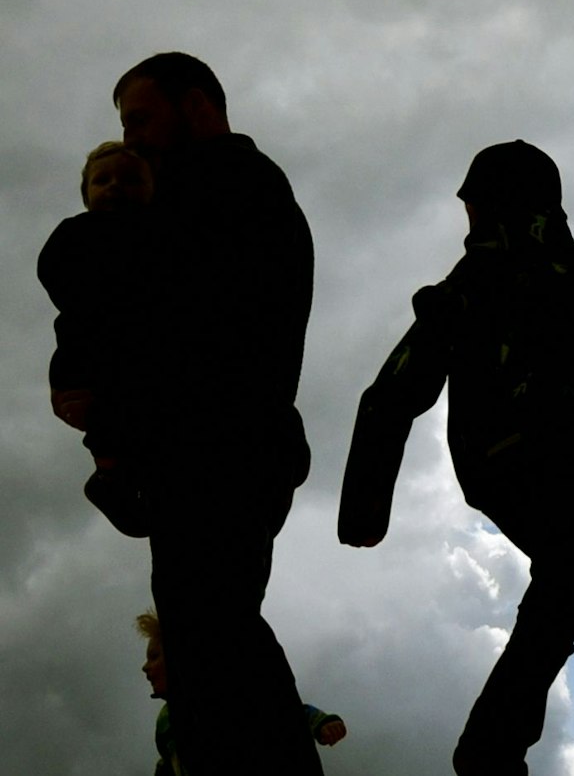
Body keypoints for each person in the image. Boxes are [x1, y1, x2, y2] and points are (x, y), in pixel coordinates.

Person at [339, 140, 574, 775]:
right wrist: (365, 508)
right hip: (531, 472)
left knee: (569, 599)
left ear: (490, 207)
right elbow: (392, 394)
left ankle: (494, 754)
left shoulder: (513, 287)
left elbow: (389, 396)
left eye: (472, 205)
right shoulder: (489, 290)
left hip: (543, 470)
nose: (467, 219)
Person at [113, 52, 324, 775]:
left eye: (140, 119)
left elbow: (167, 316)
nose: (130, 139)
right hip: (218, 448)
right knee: (213, 636)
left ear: (197, 105)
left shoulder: (221, 185)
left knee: (212, 639)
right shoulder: (231, 189)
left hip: (219, 447)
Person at [37, 140, 158, 536]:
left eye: (129, 179)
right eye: (101, 181)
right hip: (86, 347)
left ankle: (120, 479)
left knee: (130, 419)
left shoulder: (157, 233)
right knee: (104, 422)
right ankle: (108, 475)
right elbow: (55, 273)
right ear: (86, 196)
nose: (114, 187)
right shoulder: (78, 233)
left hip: (132, 351)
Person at [136, 609, 348, 775]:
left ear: (179, 657)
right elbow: (169, 761)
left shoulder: (222, 690)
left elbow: (282, 712)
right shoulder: (165, 720)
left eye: (154, 657)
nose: (146, 667)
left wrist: (320, 722)